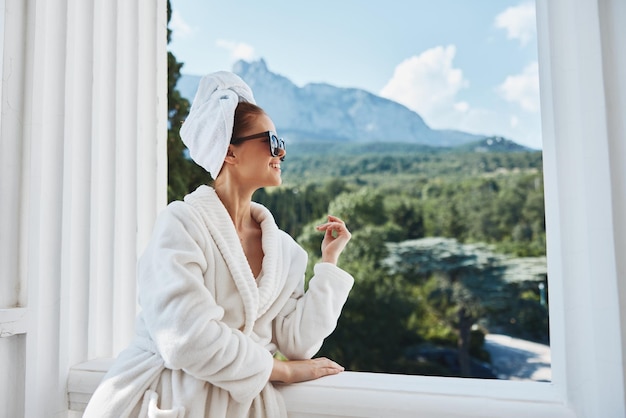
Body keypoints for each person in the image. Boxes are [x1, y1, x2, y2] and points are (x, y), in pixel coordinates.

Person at [84, 71, 354, 418]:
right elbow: (184, 337)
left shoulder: (285, 251)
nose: (282, 151)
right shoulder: (182, 224)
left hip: (242, 406)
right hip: (169, 395)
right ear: (230, 152)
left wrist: (328, 265)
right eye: (271, 141)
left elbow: (298, 342)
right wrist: (281, 371)